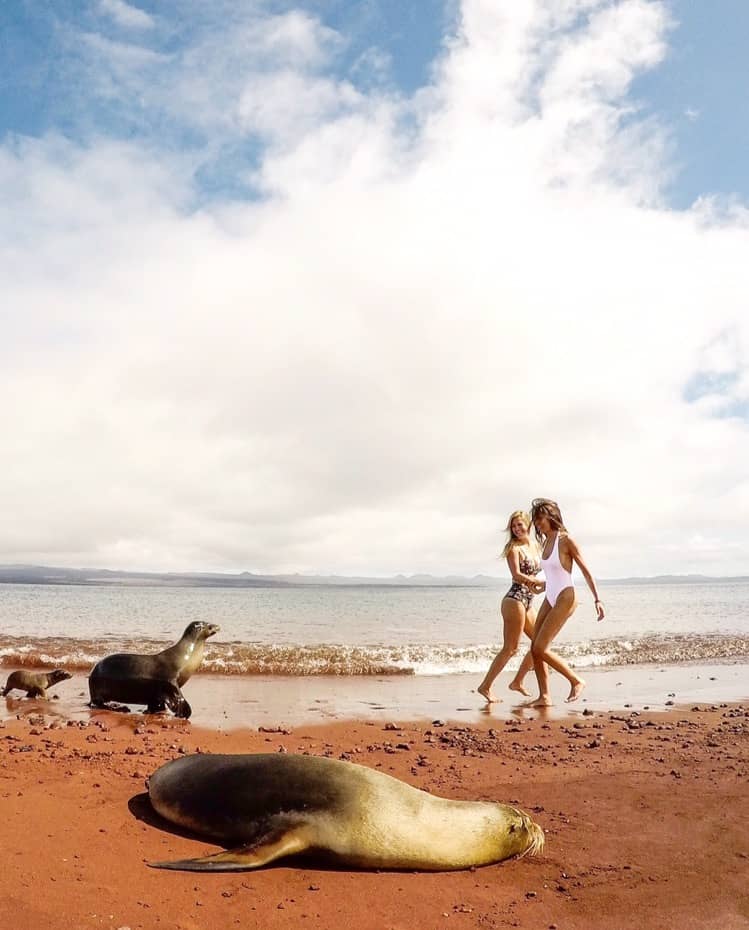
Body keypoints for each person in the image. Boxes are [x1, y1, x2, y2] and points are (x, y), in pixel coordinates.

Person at [527, 498, 605, 707]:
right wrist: (541, 586)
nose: (537, 523)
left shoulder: (566, 540)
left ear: (551, 517)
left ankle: (576, 680)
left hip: (566, 596)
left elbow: (585, 571)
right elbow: (554, 573)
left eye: (540, 518)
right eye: (535, 520)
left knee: (541, 648)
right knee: (534, 647)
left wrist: (597, 599)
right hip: (550, 595)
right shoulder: (546, 542)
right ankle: (544, 696)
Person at [477, 510, 543, 703]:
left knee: (540, 644)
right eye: (513, 526)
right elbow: (516, 575)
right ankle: (485, 686)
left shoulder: (535, 546)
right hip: (514, 600)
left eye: (520, 525)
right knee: (510, 648)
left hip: (529, 601)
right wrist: (538, 583)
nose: (517, 529)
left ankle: (518, 682)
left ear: (528, 525)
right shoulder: (513, 548)